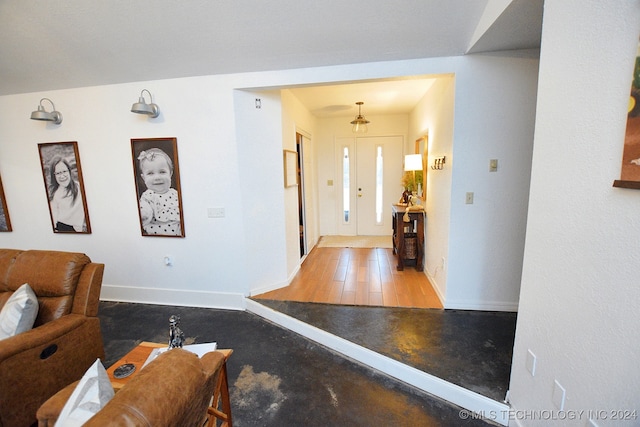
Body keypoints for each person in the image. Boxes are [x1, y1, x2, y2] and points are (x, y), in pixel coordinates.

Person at [137, 148, 181, 236]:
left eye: (162, 172)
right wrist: (144, 214)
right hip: (158, 238)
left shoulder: (175, 194)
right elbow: (144, 211)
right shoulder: (148, 197)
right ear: (143, 178)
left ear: (170, 173)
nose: (157, 177)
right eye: (150, 173)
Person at [48, 157, 86, 232]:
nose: (62, 176)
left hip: (78, 229)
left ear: (69, 171)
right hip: (62, 228)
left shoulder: (79, 188)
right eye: (58, 173)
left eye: (64, 171)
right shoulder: (54, 195)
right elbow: (54, 218)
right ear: (54, 176)